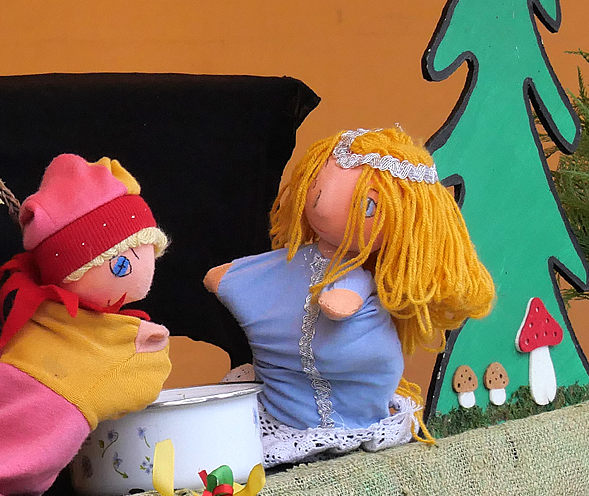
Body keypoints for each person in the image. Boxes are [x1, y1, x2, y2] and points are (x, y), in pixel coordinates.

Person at [206, 128, 493, 466]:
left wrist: (346, 297)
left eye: (369, 205)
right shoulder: (296, 261)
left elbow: (346, 299)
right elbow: (267, 273)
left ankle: (345, 421)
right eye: (316, 185)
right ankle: (283, 406)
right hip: (281, 398)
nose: (322, 202)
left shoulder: (360, 277)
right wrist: (230, 278)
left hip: (353, 389)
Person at [0, 154, 172, 496]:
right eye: (122, 264)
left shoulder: (43, 319)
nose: (145, 275)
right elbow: (147, 376)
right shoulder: (124, 344)